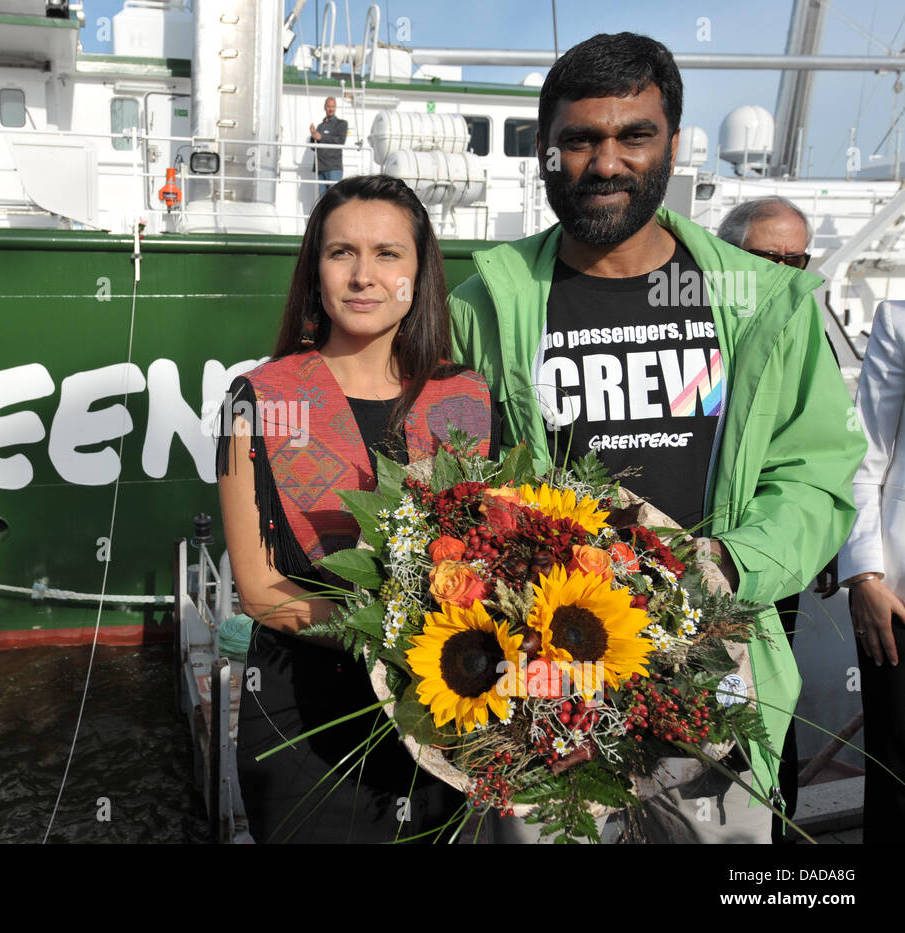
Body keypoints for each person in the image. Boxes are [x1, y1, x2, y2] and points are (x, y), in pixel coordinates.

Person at [447, 32, 866, 843]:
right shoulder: (483, 307)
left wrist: (728, 567)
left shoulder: (759, 303)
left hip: (710, 679)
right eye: (580, 139)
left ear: (672, 142)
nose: (606, 162)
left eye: (633, 135)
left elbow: (815, 477)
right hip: (542, 692)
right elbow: (446, 484)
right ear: (546, 150)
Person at [216, 173, 499, 843]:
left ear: (419, 274)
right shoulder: (254, 399)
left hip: (437, 712)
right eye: (342, 252)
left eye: (387, 254)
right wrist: (388, 633)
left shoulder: (467, 398)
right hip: (302, 717)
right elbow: (257, 589)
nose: (363, 275)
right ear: (315, 272)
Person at [716, 195, 839, 842]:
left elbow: (821, 456)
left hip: (768, 565)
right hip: (708, 558)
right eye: (771, 258)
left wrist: (818, 550)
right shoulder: (701, 325)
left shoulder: (802, 323)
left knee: (770, 704)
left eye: (799, 259)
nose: (789, 272)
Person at [837, 299, 905, 843]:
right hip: (897, 601)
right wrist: (864, 576)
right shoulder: (901, 319)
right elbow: (865, 460)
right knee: (895, 771)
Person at [309, 97, 348, 197]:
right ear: (325, 107)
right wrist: (313, 135)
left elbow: (340, 141)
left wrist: (321, 137)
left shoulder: (342, 124)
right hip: (320, 167)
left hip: (333, 167)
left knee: (334, 198)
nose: (331, 109)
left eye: (333, 106)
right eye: (328, 106)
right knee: (322, 199)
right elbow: (313, 147)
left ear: (335, 108)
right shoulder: (320, 126)